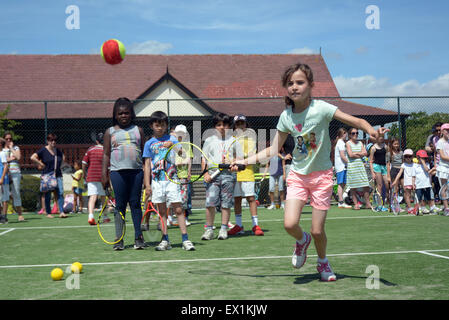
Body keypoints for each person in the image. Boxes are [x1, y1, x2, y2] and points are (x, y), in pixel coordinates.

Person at [233, 62, 387, 282]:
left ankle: (323, 262)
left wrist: (373, 132)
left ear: (311, 85)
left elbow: (358, 121)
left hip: (322, 177)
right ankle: (301, 241)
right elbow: (273, 149)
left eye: (300, 82)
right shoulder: (286, 117)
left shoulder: (322, 108)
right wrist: (243, 161)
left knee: (318, 231)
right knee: (289, 224)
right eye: (290, 84)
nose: (294, 87)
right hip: (297, 174)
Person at [142, 111, 195, 251]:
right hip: (157, 182)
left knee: (178, 209)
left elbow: (183, 154)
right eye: (157, 125)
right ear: (152, 126)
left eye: (163, 125)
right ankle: (165, 240)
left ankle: (185, 239)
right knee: (162, 212)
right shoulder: (149, 143)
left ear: (166, 126)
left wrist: (173, 144)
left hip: (172, 180)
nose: (160, 128)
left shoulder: (173, 140)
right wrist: (147, 184)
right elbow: (147, 165)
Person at [101, 97, 145, 250]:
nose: (123, 116)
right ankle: (118, 238)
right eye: (120, 114)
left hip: (137, 173)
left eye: (126, 113)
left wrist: (147, 176)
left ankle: (138, 237)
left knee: (135, 204)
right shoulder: (110, 132)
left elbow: (145, 155)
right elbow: (106, 154)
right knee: (119, 205)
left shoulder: (138, 130)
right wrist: (104, 175)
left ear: (131, 114)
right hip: (117, 173)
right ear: (115, 115)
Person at [201, 112, 237, 241]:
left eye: (225, 125)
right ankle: (209, 230)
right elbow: (204, 159)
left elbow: (239, 159)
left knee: (226, 204)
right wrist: (205, 173)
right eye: (218, 125)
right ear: (214, 127)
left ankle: (223, 229)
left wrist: (235, 165)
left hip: (228, 176)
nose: (222, 127)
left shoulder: (234, 140)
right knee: (210, 203)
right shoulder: (209, 141)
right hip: (213, 176)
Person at [228, 114, 264, 236]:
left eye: (242, 123)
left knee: (251, 198)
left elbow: (250, 154)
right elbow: (229, 155)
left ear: (246, 124)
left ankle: (255, 225)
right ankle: (239, 225)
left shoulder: (251, 136)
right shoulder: (231, 137)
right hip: (235, 173)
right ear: (234, 125)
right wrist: (232, 160)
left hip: (247, 171)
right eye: (238, 124)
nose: (240, 126)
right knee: (237, 199)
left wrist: (236, 158)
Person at [30, 133, 66, 219]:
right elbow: (32, 157)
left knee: (60, 192)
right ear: (48, 141)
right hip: (47, 175)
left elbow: (63, 158)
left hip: (58, 175)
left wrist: (60, 166)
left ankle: (61, 211)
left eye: (55, 140)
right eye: (51, 140)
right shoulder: (43, 150)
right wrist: (40, 163)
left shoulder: (58, 151)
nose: (53, 142)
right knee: (48, 194)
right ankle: (48, 212)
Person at [82, 132, 107, 225]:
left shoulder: (90, 149)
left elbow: (84, 163)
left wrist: (84, 174)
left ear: (96, 141)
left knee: (93, 197)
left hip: (91, 176)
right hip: (102, 177)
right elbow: (108, 167)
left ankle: (91, 216)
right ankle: (105, 217)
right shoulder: (106, 151)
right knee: (104, 197)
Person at [346, 128, 372, 210]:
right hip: (352, 167)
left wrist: (356, 154)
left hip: (360, 167)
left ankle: (368, 204)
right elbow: (350, 155)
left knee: (366, 185)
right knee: (353, 187)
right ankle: (356, 204)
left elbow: (365, 153)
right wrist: (360, 154)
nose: (355, 134)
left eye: (357, 133)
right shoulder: (348, 143)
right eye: (353, 133)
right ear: (350, 135)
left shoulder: (360, 143)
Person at [173, 124, 193, 226]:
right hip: (173, 175)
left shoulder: (187, 145)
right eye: (178, 133)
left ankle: (185, 218)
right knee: (173, 197)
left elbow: (189, 159)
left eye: (182, 134)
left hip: (183, 175)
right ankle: (171, 218)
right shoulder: (173, 144)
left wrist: (189, 172)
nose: (180, 135)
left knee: (184, 197)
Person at [4, 132, 24, 222]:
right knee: (4, 195)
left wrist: (11, 148)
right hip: (4, 174)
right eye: (7, 139)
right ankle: (3, 215)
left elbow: (18, 157)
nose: (8, 140)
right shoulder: (2, 150)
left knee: (16, 193)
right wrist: (11, 158)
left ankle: (20, 215)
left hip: (15, 173)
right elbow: (3, 161)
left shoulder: (16, 148)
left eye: (10, 139)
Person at [369, 134, 390, 212]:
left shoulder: (386, 147)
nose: (381, 138)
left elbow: (388, 161)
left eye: (382, 137)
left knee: (387, 184)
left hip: (384, 167)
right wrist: (372, 173)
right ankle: (380, 205)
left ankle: (389, 203)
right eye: (379, 137)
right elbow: (370, 161)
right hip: (376, 167)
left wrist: (388, 173)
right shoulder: (373, 148)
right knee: (380, 185)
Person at [392, 149, 416, 214]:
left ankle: (410, 207)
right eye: (406, 156)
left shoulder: (415, 164)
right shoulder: (403, 165)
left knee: (411, 195)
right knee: (407, 195)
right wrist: (395, 181)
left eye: (409, 156)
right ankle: (410, 208)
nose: (408, 158)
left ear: (412, 156)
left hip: (414, 182)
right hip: (407, 182)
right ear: (404, 157)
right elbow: (399, 174)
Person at [414, 150, 439, 214]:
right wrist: (413, 183)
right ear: (418, 157)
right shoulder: (415, 166)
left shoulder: (427, 164)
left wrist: (435, 171)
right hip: (419, 185)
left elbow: (428, 170)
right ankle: (422, 208)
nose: (423, 159)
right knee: (420, 198)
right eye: (422, 158)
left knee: (429, 197)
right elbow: (413, 176)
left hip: (427, 184)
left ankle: (432, 207)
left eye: (424, 158)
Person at [334, 128, 351, 209]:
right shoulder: (340, 143)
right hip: (341, 167)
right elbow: (342, 156)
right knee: (340, 184)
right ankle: (340, 202)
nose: (346, 135)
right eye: (345, 133)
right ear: (343, 134)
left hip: (343, 167)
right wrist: (350, 163)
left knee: (343, 184)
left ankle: (340, 199)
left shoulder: (341, 143)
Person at [435, 123, 449, 216]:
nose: (448, 131)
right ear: (442, 131)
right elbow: (443, 156)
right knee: (444, 188)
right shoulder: (440, 142)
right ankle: (446, 209)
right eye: (446, 130)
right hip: (443, 168)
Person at [0, 138, 9, 224]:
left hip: (3, 180)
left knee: (4, 198)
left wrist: (2, 178)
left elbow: (5, 166)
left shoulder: (2, 153)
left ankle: (4, 216)